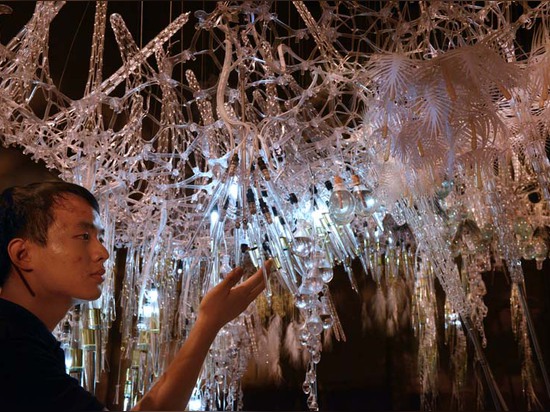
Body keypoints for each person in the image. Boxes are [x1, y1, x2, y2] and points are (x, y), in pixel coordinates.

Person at [0, 180, 271, 411]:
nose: (102, 253)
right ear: (23, 254)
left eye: (100, 238)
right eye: (83, 236)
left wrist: (208, 323)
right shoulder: (13, 350)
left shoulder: (25, 343)